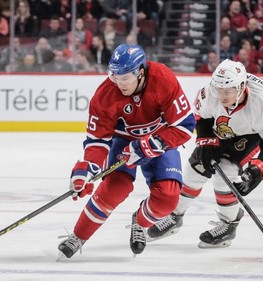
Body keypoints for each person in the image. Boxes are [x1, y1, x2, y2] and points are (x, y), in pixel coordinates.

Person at [57, 43, 195, 258]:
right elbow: (97, 141)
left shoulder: (162, 78)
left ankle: (139, 223)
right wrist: (87, 169)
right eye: (115, 77)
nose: (119, 83)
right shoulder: (105, 95)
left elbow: (185, 125)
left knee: (168, 198)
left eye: (125, 78)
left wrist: (151, 145)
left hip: (160, 138)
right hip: (123, 142)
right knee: (114, 189)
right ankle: (78, 236)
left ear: (140, 72)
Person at [147, 59, 263, 248]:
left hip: (250, 135)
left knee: (226, 174)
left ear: (241, 87)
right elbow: (200, 116)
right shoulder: (211, 91)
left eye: (226, 91)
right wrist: (206, 142)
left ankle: (229, 224)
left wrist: (256, 172)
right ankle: (175, 215)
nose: (221, 95)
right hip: (219, 130)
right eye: (219, 89)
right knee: (194, 169)